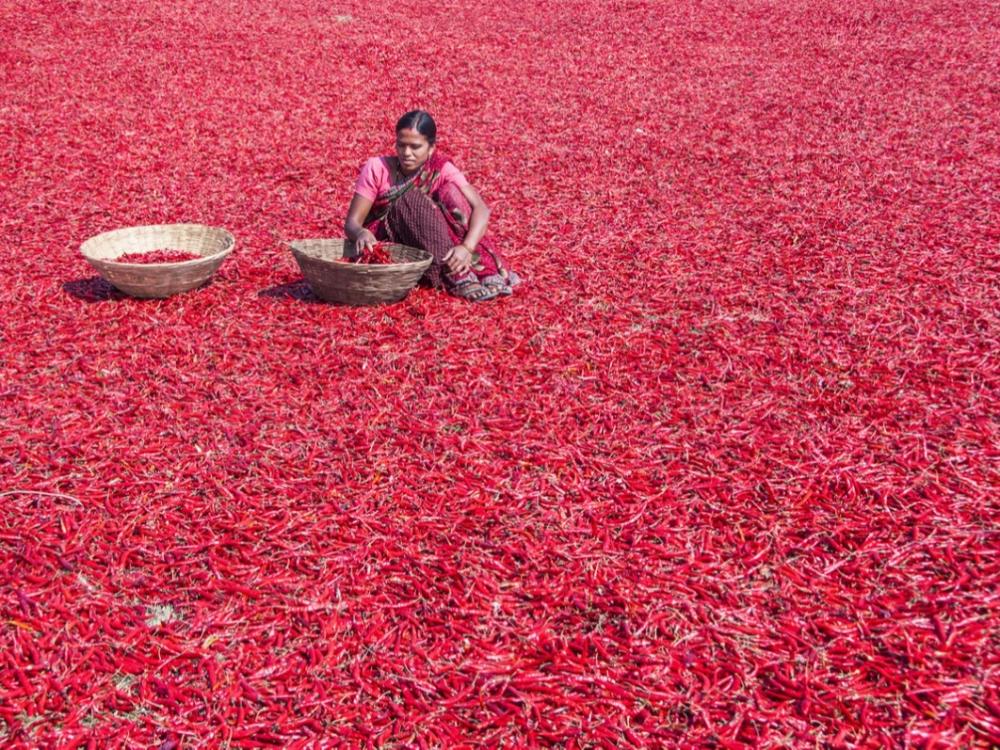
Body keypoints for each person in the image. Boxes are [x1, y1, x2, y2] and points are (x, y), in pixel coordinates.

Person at [344, 110, 520, 302]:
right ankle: (456, 276)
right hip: (390, 243)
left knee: (451, 192)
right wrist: (360, 233)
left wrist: (466, 248)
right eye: (401, 145)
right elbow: (352, 223)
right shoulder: (377, 167)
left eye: (415, 147)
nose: (406, 153)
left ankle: (483, 271)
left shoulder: (440, 168)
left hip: (436, 241)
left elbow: (480, 208)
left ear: (431, 148)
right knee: (407, 200)